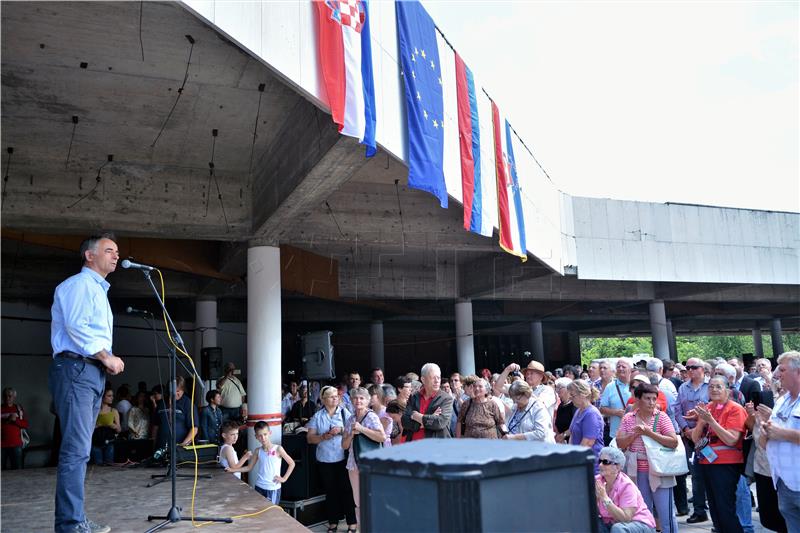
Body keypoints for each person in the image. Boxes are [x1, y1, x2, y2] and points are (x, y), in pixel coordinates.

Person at [50, 232, 125, 533]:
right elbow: (76, 326)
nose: (116, 255)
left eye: (117, 251)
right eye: (109, 250)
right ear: (89, 256)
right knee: (76, 450)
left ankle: (75, 519)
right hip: (77, 368)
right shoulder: (79, 285)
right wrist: (106, 356)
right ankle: (70, 524)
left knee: (80, 449)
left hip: (88, 371)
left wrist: (102, 362)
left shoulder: (97, 291)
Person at [616, 383, 679, 533]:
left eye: (654, 399)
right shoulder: (628, 418)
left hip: (660, 470)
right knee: (642, 514)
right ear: (637, 399)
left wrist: (649, 433)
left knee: (666, 514)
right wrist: (636, 433)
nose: (651, 402)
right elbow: (620, 443)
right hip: (636, 471)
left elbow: (673, 442)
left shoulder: (661, 417)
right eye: (647, 398)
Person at [691, 375, 748, 533]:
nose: (714, 390)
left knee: (725, 507)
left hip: (726, 464)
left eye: (718, 387)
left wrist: (711, 422)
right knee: (714, 508)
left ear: (727, 391)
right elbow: (695, 438)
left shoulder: (735, 409)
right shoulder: (708, 407)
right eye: (711, 387)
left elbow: (731, 440)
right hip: (706, 462)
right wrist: (702, 422)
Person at [307, 385, 356, 532]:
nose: (335, 398)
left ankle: (351, 523)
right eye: (331, 396)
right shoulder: (318, 416)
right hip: (324, 459)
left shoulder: (344, 412)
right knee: (330, 491)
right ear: (323, 399)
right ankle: (333, 522)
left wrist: (341, 430)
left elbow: (353, 428)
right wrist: (323, 437)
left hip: (342, 458)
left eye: (336, 395)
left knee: (346, 490)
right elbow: (310, 438)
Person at [761, 351, 800, 532]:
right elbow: (766, 441)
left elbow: (780, 433)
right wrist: (765, 432)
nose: (777, 375)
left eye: (782, 370)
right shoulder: (782, 400)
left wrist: (781, 433)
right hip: (784, 483)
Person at [342, 387, 386, 528]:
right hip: (353, 463)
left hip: (369, 463)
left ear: (367, 401)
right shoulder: (350, 419)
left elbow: (381, 436)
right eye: (355, 398)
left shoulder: (371, 416)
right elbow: (344, 445)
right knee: (358, 502)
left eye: (361, 398)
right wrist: (351, 434)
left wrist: (361, 429)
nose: (358, 400)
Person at [675, 357, 709, 523]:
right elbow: (677, 410)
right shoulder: (683, 387)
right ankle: (699, 510)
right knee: (695, 475)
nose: (689, 370)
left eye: (693, 367)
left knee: (713, 474)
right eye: (687, 368)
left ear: (702, 369)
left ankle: (716, 509)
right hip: (690, 438)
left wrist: (698, 428)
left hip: (709, 437)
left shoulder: (711, 386)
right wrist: (686, 430)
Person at [227, 421, 295, 504]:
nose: (263, 438)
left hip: (272, 488)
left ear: (270, 433)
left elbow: (292, 463)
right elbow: (249, 467)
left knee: (270, 513)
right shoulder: (257, 451)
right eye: (260, 435)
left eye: (265, 434)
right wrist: (232, 470)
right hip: (259, 486)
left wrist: (284, 479)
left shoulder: (278, 449)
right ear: (256, 437)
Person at [595, 446, 657, 533]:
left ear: (617, 467)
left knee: (618, 529)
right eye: (600, 461)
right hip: (612, 523)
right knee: (592, 523)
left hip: (639, 524)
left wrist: (605, 498)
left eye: (605, 462)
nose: (600, 465)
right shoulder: (597, 481)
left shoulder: (626, 485)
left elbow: (625, 518)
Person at [402, 363, 453, 441]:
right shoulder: (414, 397)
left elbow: (439, 422)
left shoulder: (446, 399)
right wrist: (430, 418)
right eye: (433, 378)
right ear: (423, 379)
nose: (437, 381)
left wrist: (416, 416)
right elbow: (405, 421)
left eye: (438, 378)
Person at [153, 375, 199, 450]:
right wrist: (153, 444)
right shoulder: (161, 403)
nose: (176, 393)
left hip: (179, 448)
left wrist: (183, 445)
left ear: (183, 390)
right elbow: (155, 426)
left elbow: (194, 429)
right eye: (174, 391)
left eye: (178, 391)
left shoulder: (187, 403)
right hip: (160, 447)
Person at [569, 379, 604, 472]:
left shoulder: (591, 414)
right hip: (579, 462)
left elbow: (588, 443)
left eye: (573, 396)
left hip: (590, 465)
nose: (570, 398)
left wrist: (574, 462)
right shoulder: (579, 410)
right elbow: (572, 435)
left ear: (583, 394)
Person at [600, 358, 633, 443]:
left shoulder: (637, 385)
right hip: (616, 433)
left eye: (623, 366)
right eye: (618, 366)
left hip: (634, 433)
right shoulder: (610, 387)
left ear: (630, 369)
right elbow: (602, 408)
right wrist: (616, 412)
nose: (620, 368)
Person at [1, 386, 30, 470]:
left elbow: (25, 424)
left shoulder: (19, 409)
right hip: (1, 445)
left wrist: (16, 420)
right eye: (5, 396)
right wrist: (6, 421)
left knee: (18, 470)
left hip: (16, 445)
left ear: (14, 397)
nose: (7, 398)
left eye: (10, 396)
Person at [90, 386, 120, 465]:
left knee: (109, 465)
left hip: (109, 442)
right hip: (96, 442)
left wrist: (113, 425)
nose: (112, 398)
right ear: (102, 397)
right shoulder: (94, 410)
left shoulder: (113, 410)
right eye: (109, 396)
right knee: (97, 466)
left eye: (112, 396)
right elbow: (87, 428)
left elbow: (119, 429)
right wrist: (97, 425)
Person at [553, 377, 575, 443]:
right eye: (557, 388)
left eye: (560, 388)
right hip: (561, 442)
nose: (557, 391)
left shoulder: (574, 405)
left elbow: (576, 425)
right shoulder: (561, 405)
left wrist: (563, 435)